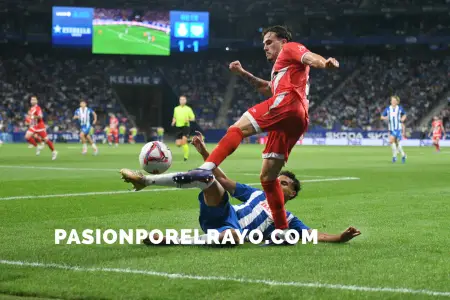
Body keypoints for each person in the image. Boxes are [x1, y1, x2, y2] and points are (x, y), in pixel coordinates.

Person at [178, 25, 339, 240]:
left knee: (236, 129)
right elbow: (267, 88)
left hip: (288, 104)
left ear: (283, 40)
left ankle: (205, 169)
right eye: (264, 44)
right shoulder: (284, 70)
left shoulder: (290, 48)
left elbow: (309, 57)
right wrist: (243, 73)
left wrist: (324, 63)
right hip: (297, 119)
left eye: (269, 41)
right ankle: (281, 232)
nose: (265, 47)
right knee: (267, 178)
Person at [120, 133, 361, 246]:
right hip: (223, 212)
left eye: (285, 183)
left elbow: (313, 235)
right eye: (279, 179)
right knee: (206, 177)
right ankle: (145, 181)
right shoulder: (256, 193)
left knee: (232, 237)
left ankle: (171, 240)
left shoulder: (287, 219)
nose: (279, 182)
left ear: (292, 194)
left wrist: (340, 237)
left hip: (231, 230)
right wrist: (206, 153)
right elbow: (223, 181)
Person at [24, 96, 58, 160]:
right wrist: (29, 121)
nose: (33, 101)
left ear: (36, 101)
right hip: (33, 126)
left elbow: (40, 117)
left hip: (40, 127)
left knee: (46, 140)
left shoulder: (38, 108)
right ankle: (37, 147)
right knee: (27, 137)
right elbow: (31, 118)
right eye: (32, 100)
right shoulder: (31, 108)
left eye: (34, 100)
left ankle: (54, 152)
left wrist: (34, 117)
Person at [381, 96, 407, 163]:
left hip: (398, 128)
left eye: (394, 100)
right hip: (391, 128)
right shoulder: (388, 108)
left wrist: (403, 118)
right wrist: (386, 117)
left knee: (393, 142)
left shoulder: (399, 108)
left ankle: (395, 157)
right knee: (396, 143)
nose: (393, 101)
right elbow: (381, 117)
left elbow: (404, 114)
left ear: (397, 102)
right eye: (392, 100)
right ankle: (402, 155)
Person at [172, 95, 195, 161]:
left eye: (183, 99)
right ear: (179, 101)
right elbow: (174, 117)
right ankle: (188, 140)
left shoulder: (188, 109)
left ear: (185, 101)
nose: (182, 101)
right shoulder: (176, 108)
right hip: (178, 127)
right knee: (178, 144)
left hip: (185, 126)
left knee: (184, 142)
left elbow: (193, 118)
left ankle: (186, 157)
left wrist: (188, 119)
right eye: (181, 99)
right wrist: (173, 121)